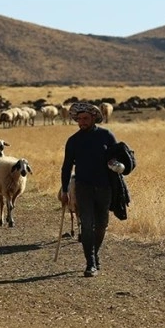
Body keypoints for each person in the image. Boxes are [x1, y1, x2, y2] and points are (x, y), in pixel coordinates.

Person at [60, 102, 118, 277]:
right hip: (83, 187)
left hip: (104, 186)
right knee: (86, 225)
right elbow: (66, 167)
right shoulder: (73, 141)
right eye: (79, 119)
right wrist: (65, 190)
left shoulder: (106, 135)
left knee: (101, 225)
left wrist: (117, 165)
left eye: (85, 119)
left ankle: (94, 253)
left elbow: (117, 157)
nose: (82, 122)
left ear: (94, 118)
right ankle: (90, 263)